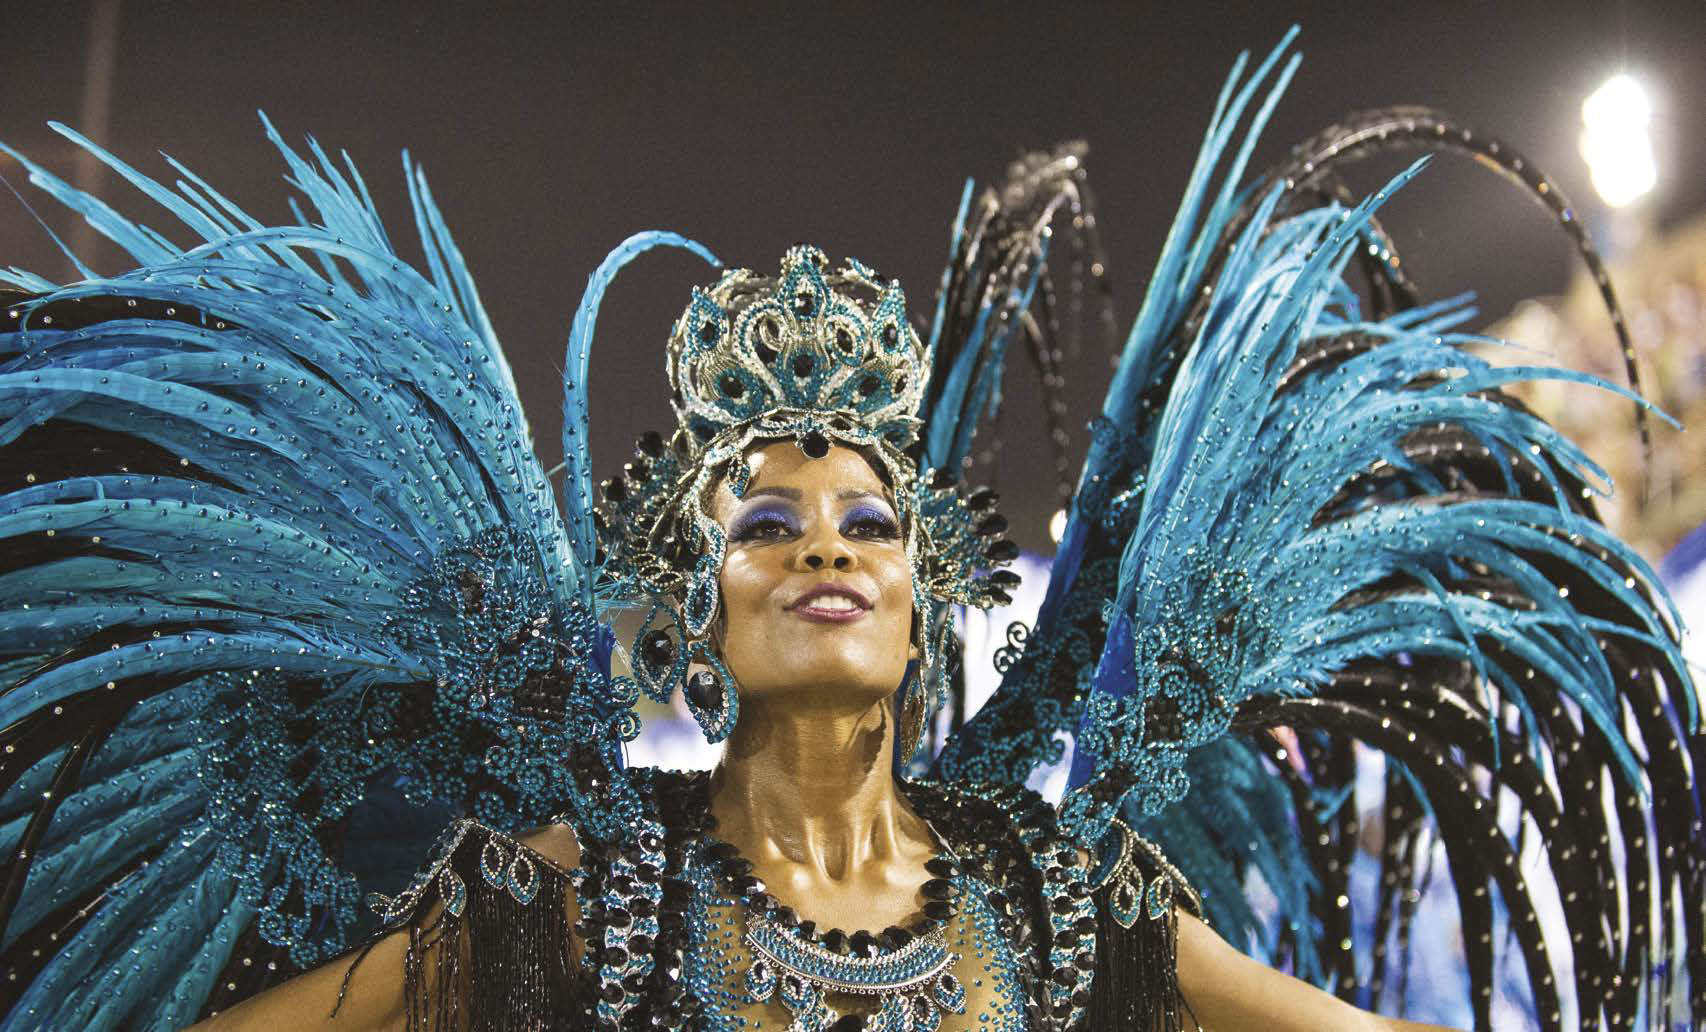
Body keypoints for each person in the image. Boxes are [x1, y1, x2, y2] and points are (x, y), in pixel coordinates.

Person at [0, 31, 1699, 1032]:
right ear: (690, 607)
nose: (823, 544)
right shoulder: (576, 899)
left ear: (926, 588)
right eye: (762, 521)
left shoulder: (1050, 893)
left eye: (868, 520)